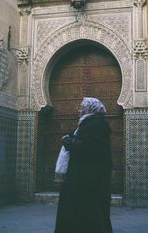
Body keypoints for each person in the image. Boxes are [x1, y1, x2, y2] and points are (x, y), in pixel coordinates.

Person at [54, 97, 113, 233]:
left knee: (89, 216)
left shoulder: (95, 125)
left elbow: (87, 148)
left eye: (81, 107)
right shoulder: (89, 125)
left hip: (88, 182)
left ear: (89, 109)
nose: (79, 110)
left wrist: (69, 142)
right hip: (85, 181)